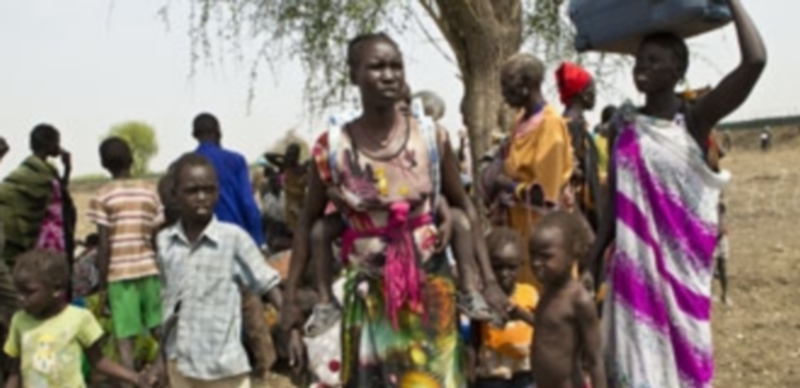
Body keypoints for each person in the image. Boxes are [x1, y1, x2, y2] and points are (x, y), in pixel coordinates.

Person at [282, 32, 507, 387]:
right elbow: (307, 223)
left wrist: (489, 281)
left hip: (430, 295)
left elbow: (464, 205)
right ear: (353, 74)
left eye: (395, 66)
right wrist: (290, 299)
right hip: (369, 297)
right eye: (376, 67)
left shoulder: (432, 138)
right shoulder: (333, 147)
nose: (388, 75)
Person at [589, 0, 766, 386]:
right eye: (639, 60)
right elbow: (614, 210)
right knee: (638, 372)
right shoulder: (624, 128)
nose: (642, 68)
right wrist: (592, 259)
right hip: (634, 276)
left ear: (678, 70)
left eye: (654, 61)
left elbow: (755, 62)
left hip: (684, 274)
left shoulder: (695, 120)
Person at [152, 153, 283, 388]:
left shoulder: (233, 239)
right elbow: (168, 306)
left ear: (217, 192)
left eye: (208, 190)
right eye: (192, 191)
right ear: (175, 194)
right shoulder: (165, 242)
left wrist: (293, 327)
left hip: (225, 368)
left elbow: (267, 283)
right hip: (180, 364)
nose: (201, 197)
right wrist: (159, 359)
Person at [483, 53, 575, 292]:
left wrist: (506, 185)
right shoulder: (520, 120)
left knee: (547, 297)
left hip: (544, 230)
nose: (503, 93)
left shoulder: (550, 124)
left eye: (507, 86)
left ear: (527, 86)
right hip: (520, 228)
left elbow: (546, 195)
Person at [3, 249, 150, 388]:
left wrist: (135, 378)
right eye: (19, 292)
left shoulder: (79, 318)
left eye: (29, 292)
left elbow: (99, 361)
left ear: (57, 290)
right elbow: (16, 371)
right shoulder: (19, 321)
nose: (21, 298)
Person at [0, 125, 76, 383]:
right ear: (50, 145)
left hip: (47, 239)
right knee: (43, 295)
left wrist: (67, 170)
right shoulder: (33, 175)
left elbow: (58, 198)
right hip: (47, 241)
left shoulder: (44, 173)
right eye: (57, 141)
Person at [87, 137, 163, 385]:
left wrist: (101, 284)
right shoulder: (149, 190)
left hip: (119, 274)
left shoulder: (102, 195)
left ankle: (131, 381)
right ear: (131, 159)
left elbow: (104, 243)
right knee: (159, 328)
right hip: (149, 268)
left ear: (103, 164)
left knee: (125, 338)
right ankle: (167, 373)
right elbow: (155, 234)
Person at [530, 211, 604, 388]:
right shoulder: (547, 292)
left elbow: (595, 360)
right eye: (533, 255)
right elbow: (549, 330)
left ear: (572, 254)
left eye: (546, 256)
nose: (536, 263)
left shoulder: (579, 300)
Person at [472, 227, 536, 388]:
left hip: (525, 371)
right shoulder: (483, 298)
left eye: (511, 267)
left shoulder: (529, 293)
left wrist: (520, 313)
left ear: (521, 265)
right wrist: (471, 366)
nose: (504, 273)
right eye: (497, 267)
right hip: (493, 373)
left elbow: (542, 325)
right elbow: (474, 334)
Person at [556, 62, 602, 232]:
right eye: (592, 88)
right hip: (578, 205)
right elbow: (573, 166)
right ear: (582, 93)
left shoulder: (572, 121)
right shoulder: (573, 124)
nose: (595, 93)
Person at [266, 143, 308, 232]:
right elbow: (268, 156)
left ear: (298, 155)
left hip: (299, 202)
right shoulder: (285, 166)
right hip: (287, 202)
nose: (291, 156)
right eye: (289, 154)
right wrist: (284, 156)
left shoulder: (302, 169)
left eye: (293, 154)